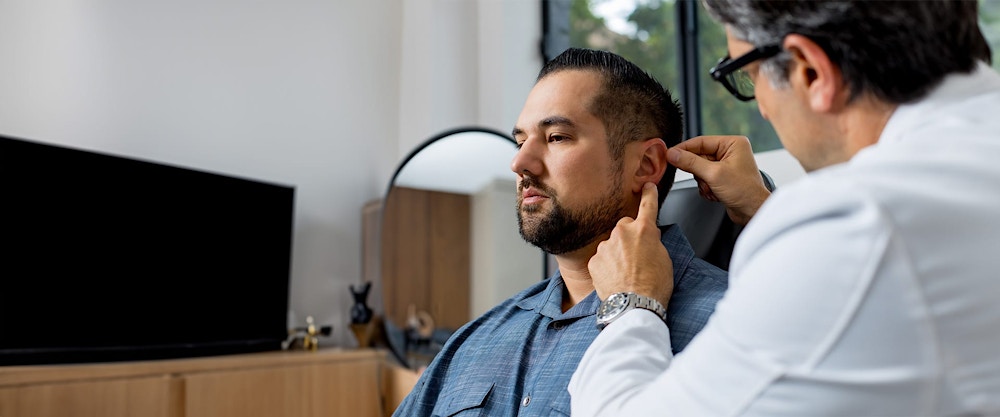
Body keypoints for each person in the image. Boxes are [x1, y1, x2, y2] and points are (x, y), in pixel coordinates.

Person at [569, 1, 1000, 415]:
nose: (761, 105)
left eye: (747, 73)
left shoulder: (859, 223)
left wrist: (629, 304)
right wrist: (761, 207)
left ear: (811, 70)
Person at [392, 47, 730, 416]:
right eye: (521, 141)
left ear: (646, 165)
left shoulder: (735, 328)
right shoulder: (471, 342)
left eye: (556, 137)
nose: (519, 162)